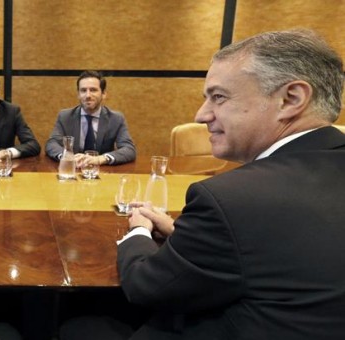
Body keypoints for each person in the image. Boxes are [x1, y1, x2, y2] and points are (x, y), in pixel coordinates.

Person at [117, 29, 345, 339]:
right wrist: (184, 234)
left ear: (290, 99)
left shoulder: (232, 199)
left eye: (218, 97)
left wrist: (139, 230)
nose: (201, 115)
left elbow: (148, 286)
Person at [45, 70, 136, 167]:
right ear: (78, 94)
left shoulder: (116, 119)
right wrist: (68, 157)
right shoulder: (65, 116)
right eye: (83, 90)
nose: (88, 95)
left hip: (102, 173)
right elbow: (51, 144)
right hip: (73, 170)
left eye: (93, 90)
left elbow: (129, 149)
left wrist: (100, 159)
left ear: (104, 93)